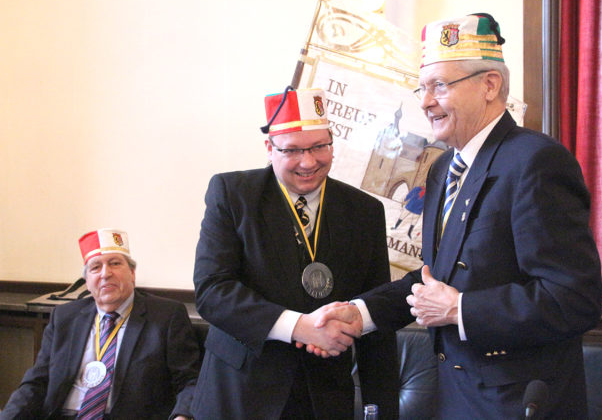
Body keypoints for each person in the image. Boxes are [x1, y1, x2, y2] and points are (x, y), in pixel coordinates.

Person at [312, 13, 602, 419]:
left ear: (490, 85)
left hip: (520, 404)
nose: (426, 101)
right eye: (423, 88)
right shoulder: (442, 168)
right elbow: (437, 279)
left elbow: (574, 299)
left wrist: (460, 310)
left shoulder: (536, 161)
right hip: (457, 398)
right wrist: (359, 314)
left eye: (441, 86)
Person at [191, 87, 399, 419]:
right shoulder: (233, 195)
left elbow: (375, 314)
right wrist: (298, 326)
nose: (309, 161)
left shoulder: (365, 211)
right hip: (239, 393)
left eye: (320, 146)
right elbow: (213, 291)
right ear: (269, 148)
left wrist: (380, 409)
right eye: (293, 151)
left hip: (324, 397)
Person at [1, 228, 201, 420]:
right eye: (96, 267)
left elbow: (189, 381)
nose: (105, 274)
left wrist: (182, 416)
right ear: (86, 281)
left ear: (132, 273)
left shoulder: (166, 316)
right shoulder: (64, 317)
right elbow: (36, 383)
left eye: (115, 263)